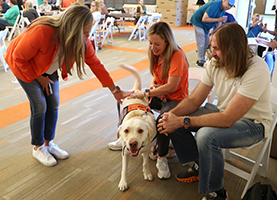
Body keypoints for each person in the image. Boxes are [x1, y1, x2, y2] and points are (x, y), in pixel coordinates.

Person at [156, 23, 272, 200]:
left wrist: (182, 121)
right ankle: (202, 166)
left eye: (217, 48)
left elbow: (227, 119)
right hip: (221, 110)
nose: (212, 52)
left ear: (233, 49)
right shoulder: (216, 63)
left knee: (205, 136)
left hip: (253, 124)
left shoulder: (257, 69)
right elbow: (195, 100)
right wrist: (173, 116)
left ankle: (216, 193)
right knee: (173, 118)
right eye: (212, 47)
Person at [5, 3, 127, 167]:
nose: (87, 36)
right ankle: (38, 147)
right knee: (40, 105)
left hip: (47, 69)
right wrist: (38, 77)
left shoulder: (83, 41)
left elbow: (97, 65)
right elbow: (19, 57)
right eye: (84, 32)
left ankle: (49, 143)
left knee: (53, 103)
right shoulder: (44, 31)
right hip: (23, 66)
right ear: (72, 28)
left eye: (88, 31)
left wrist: (115, 90)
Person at [108, 21, 190, 179]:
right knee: (128, 100)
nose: (153, 47)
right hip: (161, 95)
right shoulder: (156, 53)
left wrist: (147, 93)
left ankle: (161, 158)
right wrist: (150, 89)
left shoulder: (177, 55)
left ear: (167, 41)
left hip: (176, 99)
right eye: (150, 43)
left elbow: (172, 87)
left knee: (162, 122)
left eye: (157, 44)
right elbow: (156, 78)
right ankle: (125, 136)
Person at [190, 0, 235, 68]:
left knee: (207, 42)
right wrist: (218, 19)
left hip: (206, 26)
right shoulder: (215, 5)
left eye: (231, 6)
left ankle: (203, 59)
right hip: (198, 22)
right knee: (201, 42)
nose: (229, 7)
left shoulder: (222, 10)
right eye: (228, 5)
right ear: (224, 0)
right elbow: (204, 19)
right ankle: (200, 62)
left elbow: (219, 23)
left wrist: (218, 34)